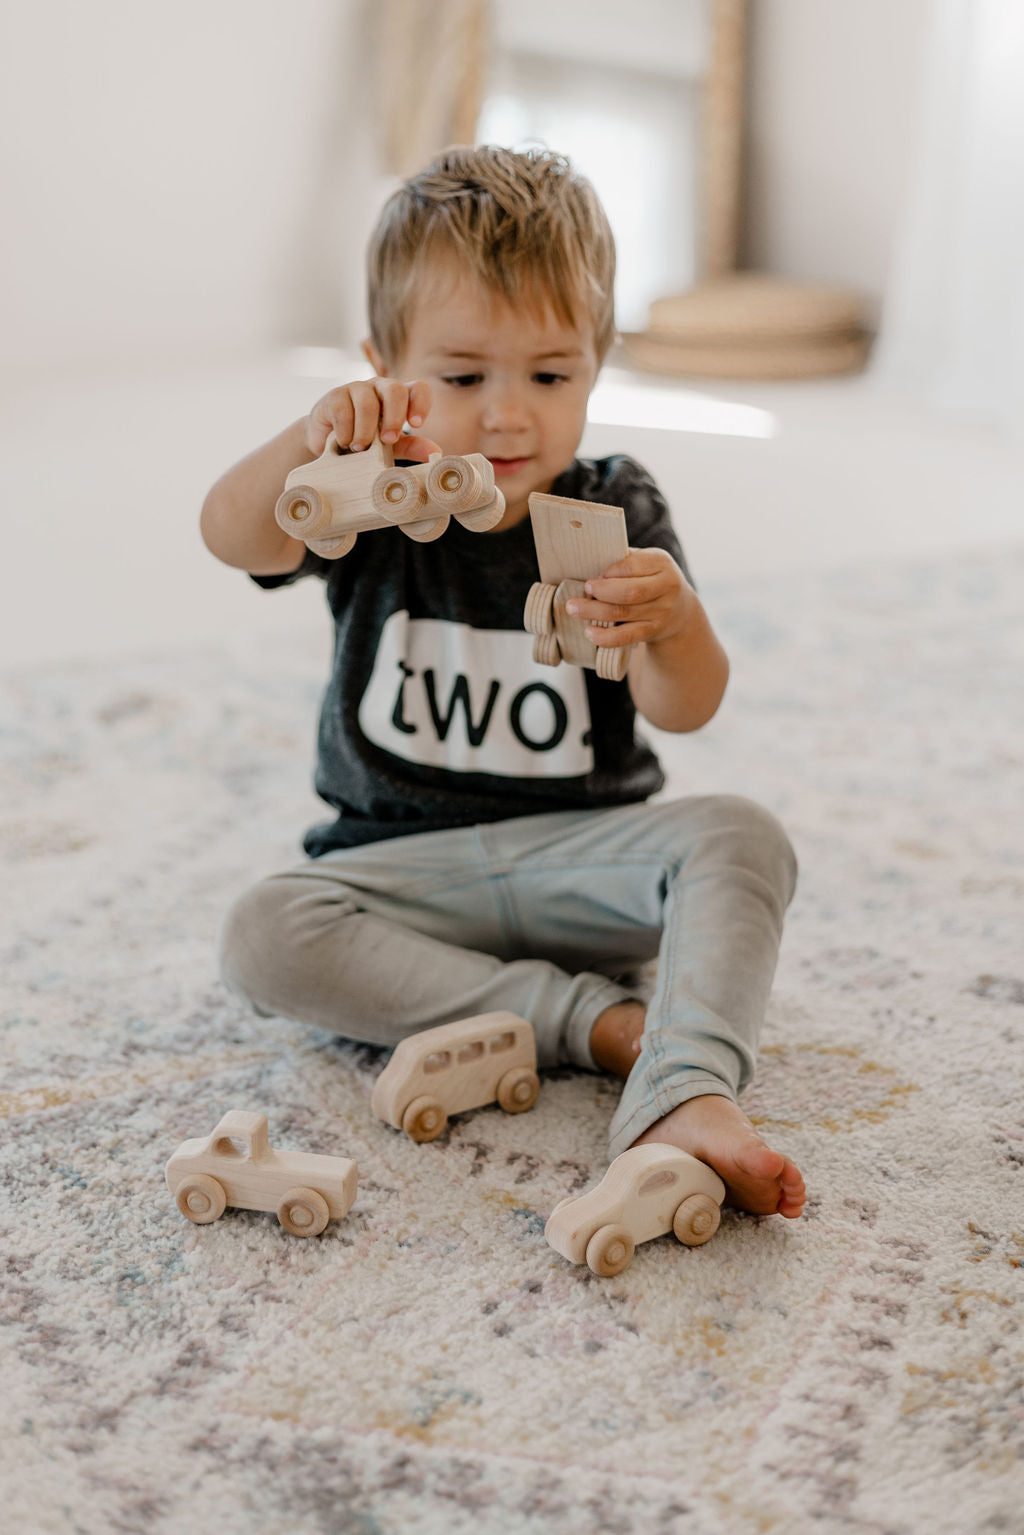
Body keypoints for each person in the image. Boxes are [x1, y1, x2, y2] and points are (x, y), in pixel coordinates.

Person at [200, 145, 805, 1220]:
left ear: (597, 366)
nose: (508, 416)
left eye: (551, 375)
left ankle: (684, 1088)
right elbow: (228, 532)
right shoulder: (370, 497)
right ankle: (603, 1028)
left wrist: (676, 618)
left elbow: (685, 706)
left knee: (739, 835)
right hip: (400, 874)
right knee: (262, 930)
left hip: (584, 868)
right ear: (385, 364)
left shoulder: (617, 503)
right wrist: (310, 443)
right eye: (464, 376)